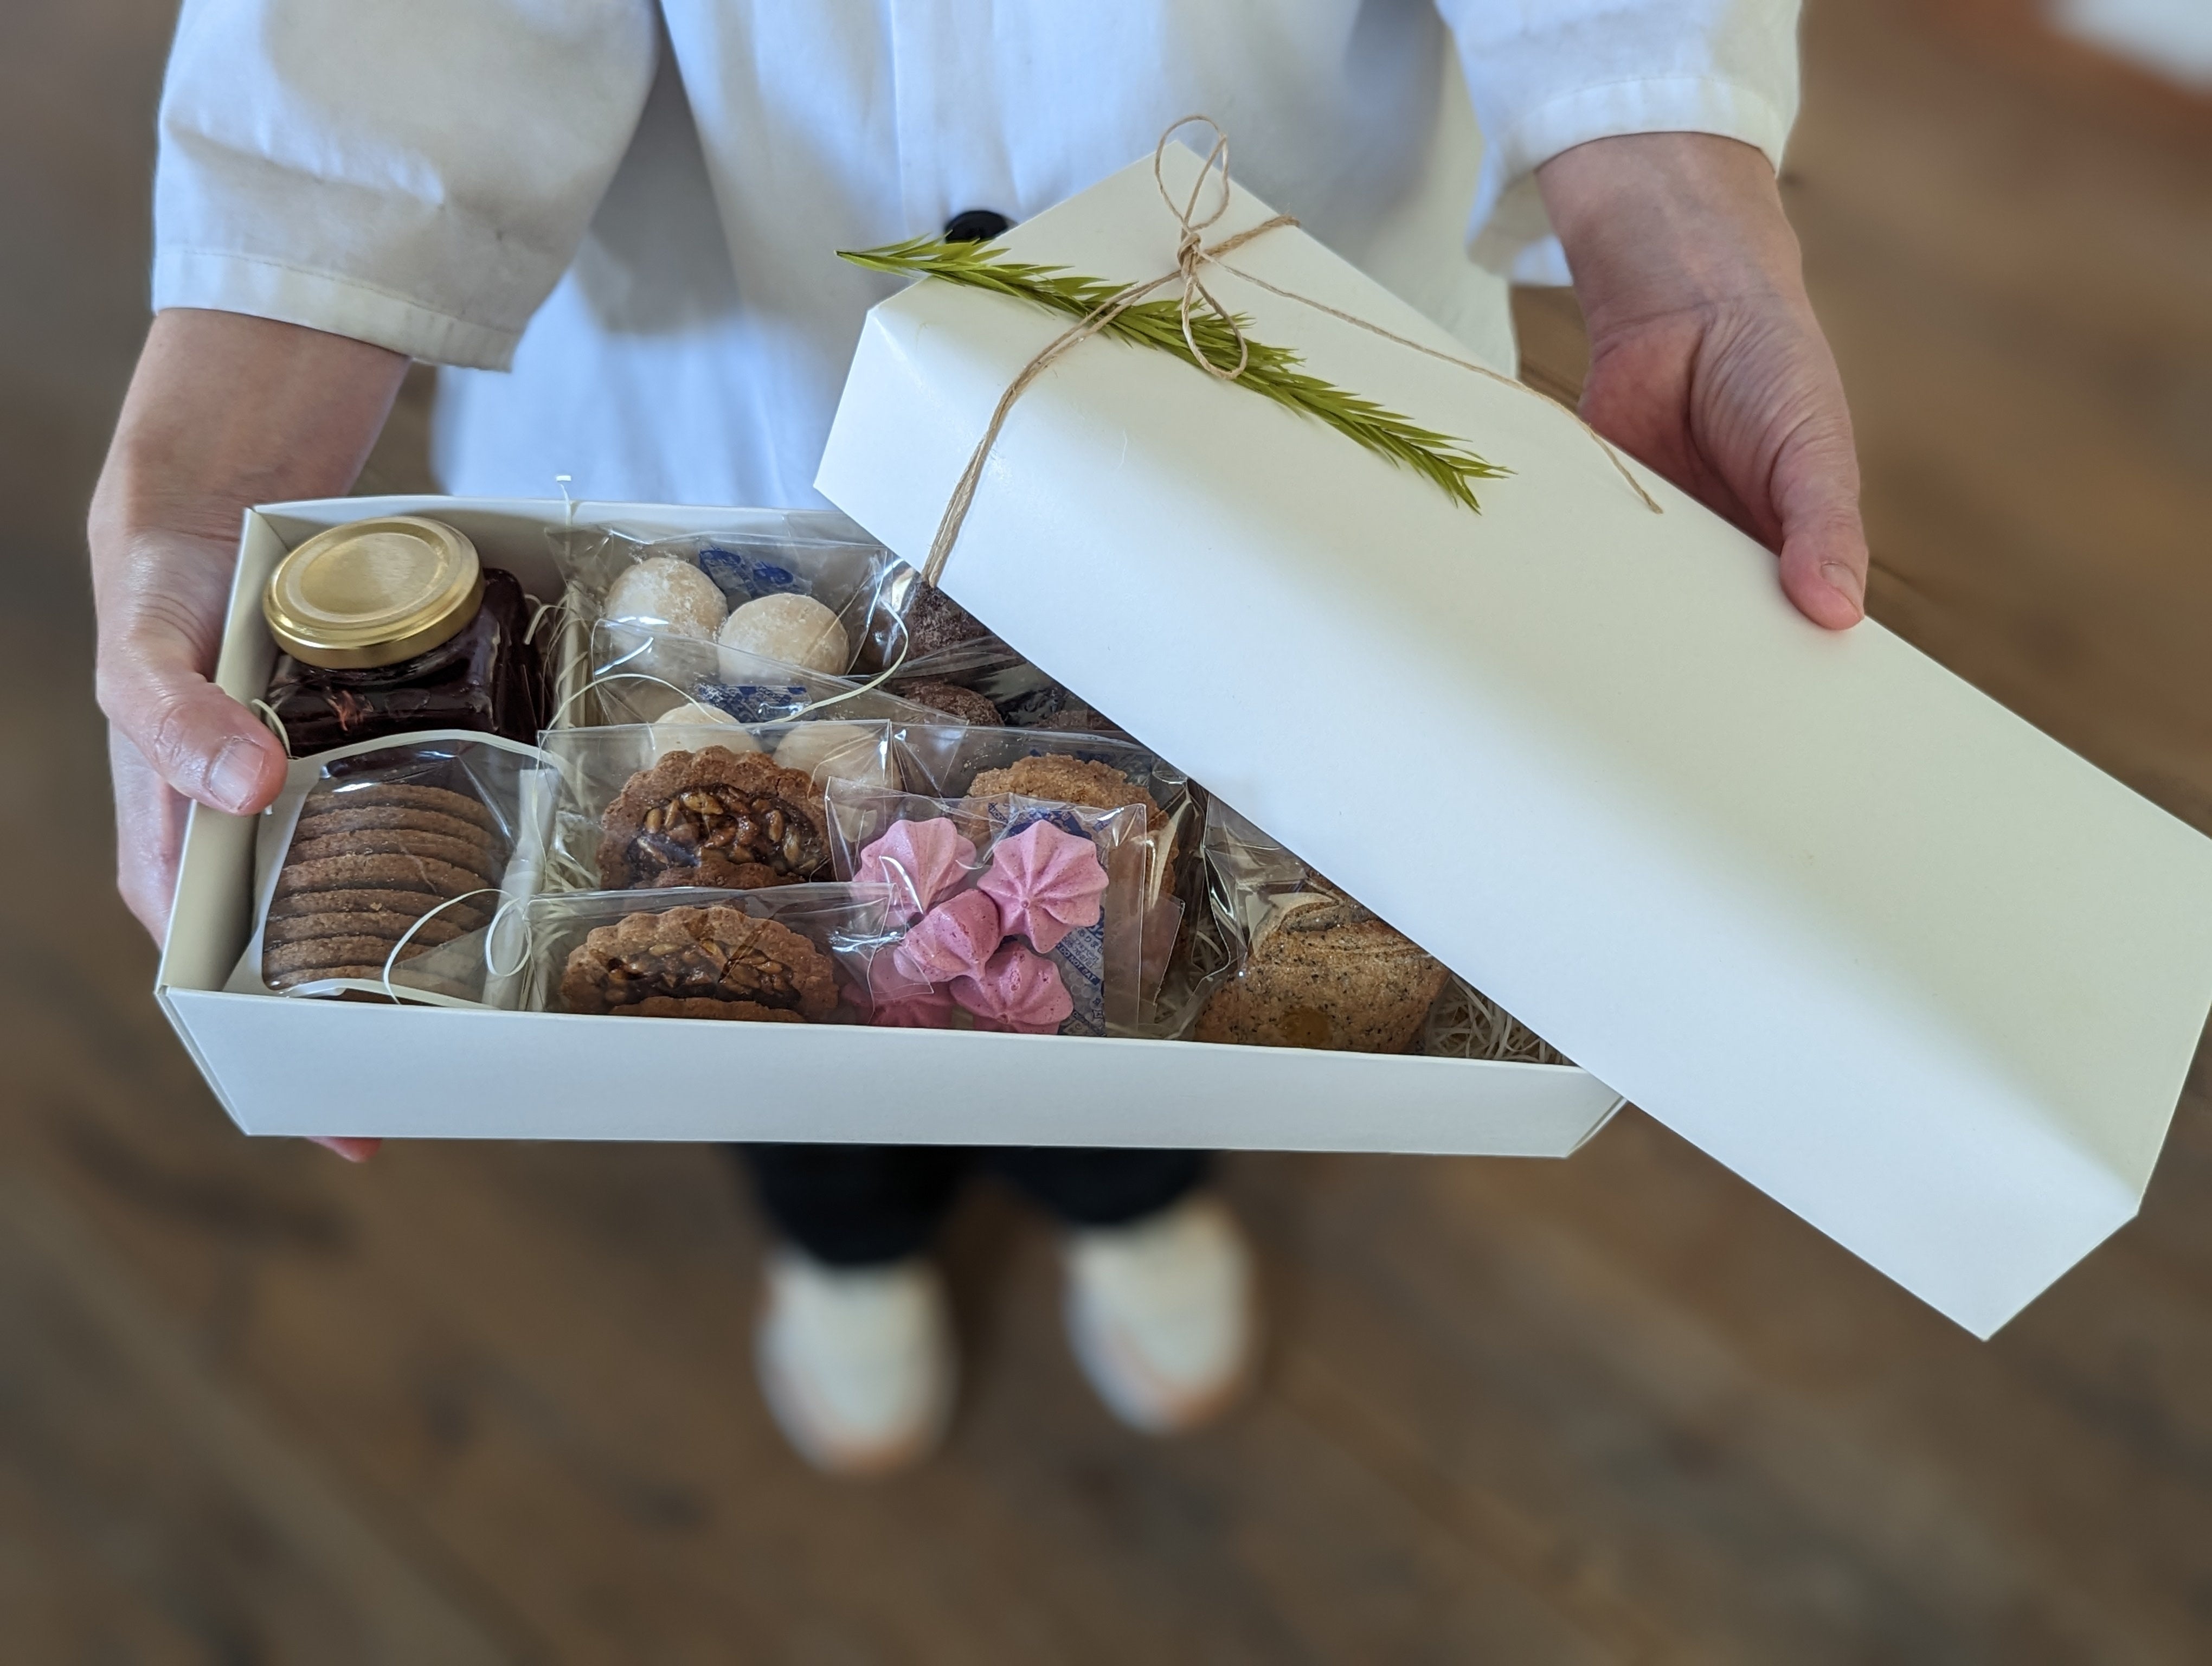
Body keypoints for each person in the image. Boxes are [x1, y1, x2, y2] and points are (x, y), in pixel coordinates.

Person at [91, 1, 1864, 1475]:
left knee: (1151, 970)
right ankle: (846, 1239)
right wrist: (241, 402)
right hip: (727, 442)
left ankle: (1125, 1195)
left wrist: (1681, 233)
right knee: (737, 992)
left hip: (1267, 376)